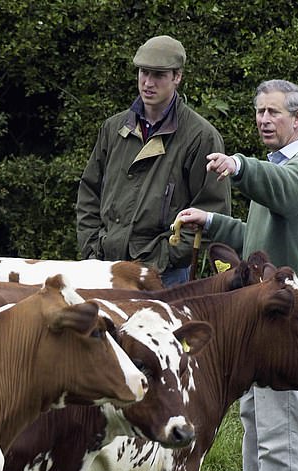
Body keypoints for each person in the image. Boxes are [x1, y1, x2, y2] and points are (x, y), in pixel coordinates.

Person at [174, 79, 298, 471]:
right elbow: (254, 236)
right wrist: (213, 221)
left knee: (286, 419)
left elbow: (277, 189)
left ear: (297, 119)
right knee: (256, 415)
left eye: (274, 112)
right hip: (266, 313)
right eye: (260, 112)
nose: (263, 119)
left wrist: (239, 166)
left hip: (294, 315)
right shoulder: (275, 168)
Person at [76, 35, 231, 287]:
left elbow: (211, 211)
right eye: (143, 73)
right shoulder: (114, 127)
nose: (148, 83)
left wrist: (163, 259)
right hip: (105, 268)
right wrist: (93, 248)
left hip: (163, 275)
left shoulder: (200, 137)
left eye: (158, 75)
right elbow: (89, 191)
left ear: (177, 77)